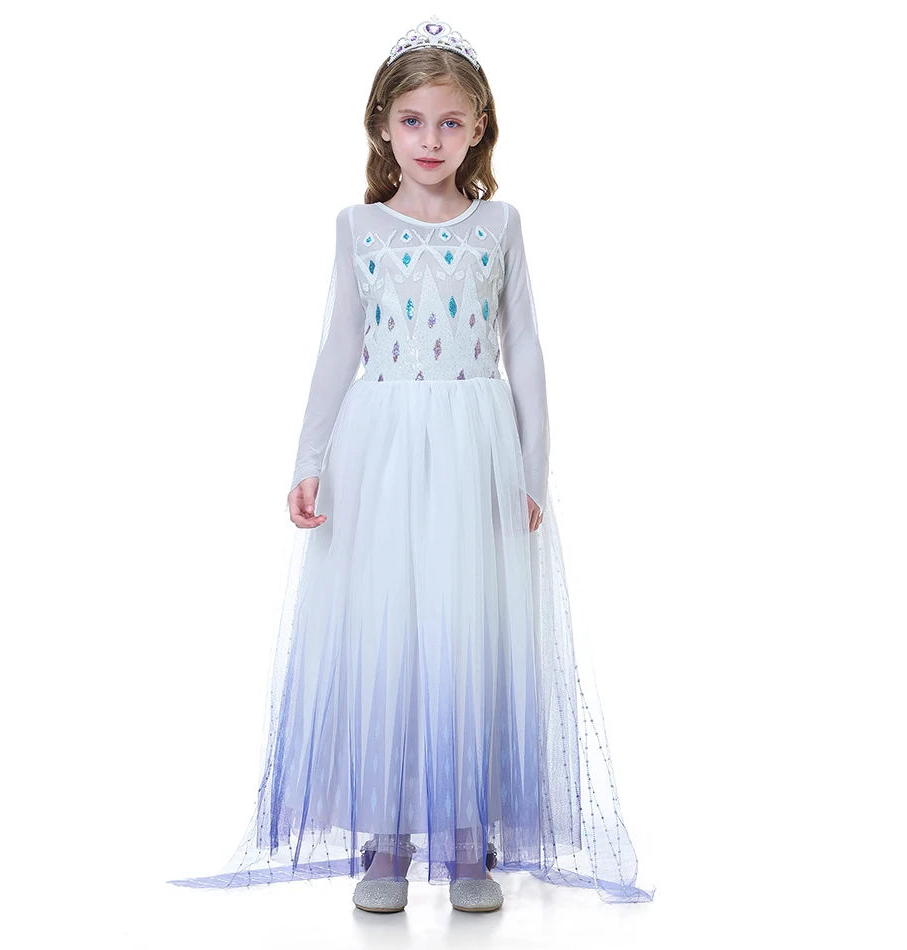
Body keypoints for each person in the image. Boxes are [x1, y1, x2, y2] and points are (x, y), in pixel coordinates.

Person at [167, 14, 655, 913]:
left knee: (467, 631)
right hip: (382, 450)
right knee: (387, 632)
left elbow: (525, 348)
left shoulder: (499, 223)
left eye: (450, 122)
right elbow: (337, 346)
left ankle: (468, 836)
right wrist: (309, 458)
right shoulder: (359, 226)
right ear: (383, 127)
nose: (431, 140)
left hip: (474, 446)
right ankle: (386, 835)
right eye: (413, 121)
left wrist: (531, 470)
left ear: (478, 129)